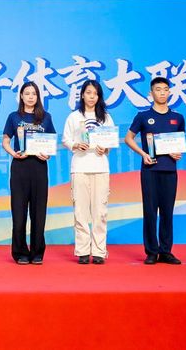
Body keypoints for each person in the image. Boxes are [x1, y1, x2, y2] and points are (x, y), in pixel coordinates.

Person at [124, 77, 185, 265]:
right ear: (151, 94)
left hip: (169, 171)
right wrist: (143, 154)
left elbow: (179, 141)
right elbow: (128, 138)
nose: (162, 93)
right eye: (158, 89)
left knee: (167, 212)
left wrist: (176, 152)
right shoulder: (143, 116)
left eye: (165, 89)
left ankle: (166, 251)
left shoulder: (178, 118)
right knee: (150, 211)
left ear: (170, 92)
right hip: (150, 170)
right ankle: (151, 251)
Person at [2, 81, 56, 265]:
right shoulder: (14, 117)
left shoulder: (46, 117)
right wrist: (13, 153)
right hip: (20, 167)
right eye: (27, 93)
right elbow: (5, 140)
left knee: (38, 212)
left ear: (38, 96)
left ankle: (37, 252)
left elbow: (51, 142)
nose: (31, 97)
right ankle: (20, 252)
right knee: (19, 213)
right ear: (21, 96)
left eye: (34, 94)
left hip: (39, 167)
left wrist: (47, 155)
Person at [62, 81, 114, 265]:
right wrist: (76, 145)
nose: (92, 96)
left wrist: (105, 148)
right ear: (82, 95)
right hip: (80, 167)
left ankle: (99, 251)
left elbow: (110, 141)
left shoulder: (105, 117)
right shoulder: (74, 117)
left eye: (95, 93)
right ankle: (83, 251)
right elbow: (66, 139)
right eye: (89, 92)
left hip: (100, 167)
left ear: (99, 97)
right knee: (80, 212)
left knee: (100, 212)